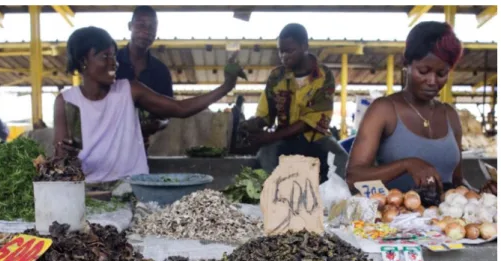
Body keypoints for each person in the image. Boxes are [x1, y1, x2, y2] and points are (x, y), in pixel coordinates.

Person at [54, 26, 242, 185]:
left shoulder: (129, 90)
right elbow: (61, 160)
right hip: (90, 191)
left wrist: (225, 87)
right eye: (105, 56)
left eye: (114, 56)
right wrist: (65, 154)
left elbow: (180, 109)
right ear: (83, 61)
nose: (114, 63)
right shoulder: (66, 101)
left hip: (133, 187)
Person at [345, 21, 496, 195]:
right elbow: (353, 178)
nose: (432, 81)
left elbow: (456, 183)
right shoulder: (384, 110)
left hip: (445, 220)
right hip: (396, 219)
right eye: (423, 71)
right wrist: (406, 165)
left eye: (441, 74)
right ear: (406, 63)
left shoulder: (450, 115)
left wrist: (481, 195)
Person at [240, 23, 348, 182]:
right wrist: (252, 125)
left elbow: (310, 122)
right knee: (263, 159)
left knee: (342, 161)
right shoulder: (277, 76)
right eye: (280, 51)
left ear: (304, 46)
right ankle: (267, 200)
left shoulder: (323, 75)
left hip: (317, 138)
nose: (284, 56)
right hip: (283, 139)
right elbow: (266, 114)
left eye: (290, 51)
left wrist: (270, 137)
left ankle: (336, 202)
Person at [116, 6, 173, 151]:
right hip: (109, 146)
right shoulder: (111, 62)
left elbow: (167, 114)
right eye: (141, 25)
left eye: (152, 27)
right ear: (130, 26)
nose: (146, 31)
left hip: (142, 149)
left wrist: (155, 126)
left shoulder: (161, 71)